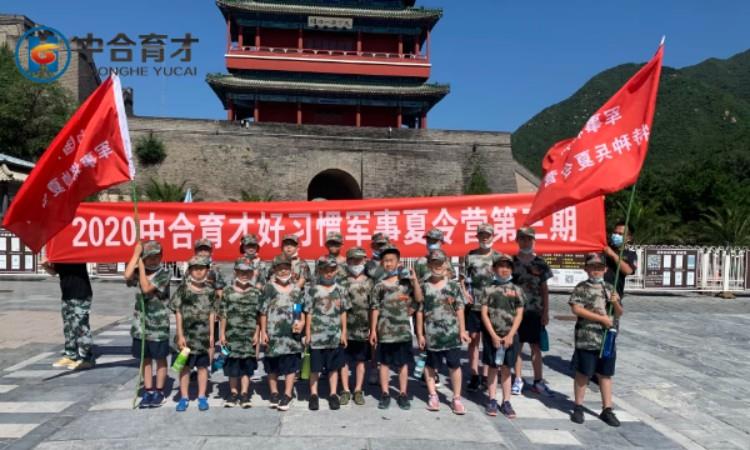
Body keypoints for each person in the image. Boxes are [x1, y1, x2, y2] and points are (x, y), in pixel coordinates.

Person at [569, 253, 623, 427]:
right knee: (583, 373)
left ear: (605, 270)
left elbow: (619, 313)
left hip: (607, 338)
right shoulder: (581, 287)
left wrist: (615, 303)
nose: (596, 271)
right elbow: (577, 309)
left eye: (599, 268)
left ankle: (607, 408)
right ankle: (578, 406)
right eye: (592, 267)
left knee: (605, 374)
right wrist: (601, 319)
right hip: (587, 337)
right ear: (586, 269)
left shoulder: (610, 287)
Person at [416, 249, 469, 414]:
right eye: (434, 263)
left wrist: (462, 330)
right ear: (429, 265)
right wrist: (420, 334)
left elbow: (459, 308)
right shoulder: (424, 287)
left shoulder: (453, 286)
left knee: (454, 365)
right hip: (431, 335)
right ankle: (433, 395)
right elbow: (419, 312)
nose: (437, 266)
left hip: (451, 334)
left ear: (446, 264)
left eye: (440, 263)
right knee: (430, 366)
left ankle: (456, 398)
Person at [369, 245, 423, 410]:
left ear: (398, 262)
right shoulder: (379, 285)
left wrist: (415, 281)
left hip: (402, 331)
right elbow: (375, 308)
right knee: (384, 363)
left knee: (403, 364)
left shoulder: (405, 283)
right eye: (385, 261)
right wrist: (373, 330)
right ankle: (385, 393)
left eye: (391, 260)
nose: (388, 264)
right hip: (385, 331)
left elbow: (419, 299)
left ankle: (403, 393)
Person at [123, 240, 172, 408]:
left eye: (157, 256)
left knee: (160, 359)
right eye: (150, 257)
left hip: (158, 327)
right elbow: (127, 275)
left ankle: (159, 391)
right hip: (141, 327)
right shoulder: (138, 272)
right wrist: (135, 255)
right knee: (145, 359)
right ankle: (149, 390)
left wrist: (141, 267)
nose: (154, 260)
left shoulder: (164, 274)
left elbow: (146, 288)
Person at [479, 253, 525, 418]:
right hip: (492, 335)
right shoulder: (488, 289)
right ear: (494, 269)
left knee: (506, 368)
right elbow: (484, 313)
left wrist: (511, 335)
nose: (504, 270)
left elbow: (519, 314)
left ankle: (506, 401)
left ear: (511, 269)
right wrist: (493, 335)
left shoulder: (517, 290)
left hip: (510, 336)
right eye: (500, 266)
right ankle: (492, 399)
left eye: (507, 266)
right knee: (492, 367)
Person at [171, 256, 217, 412]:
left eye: (202, 268)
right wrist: (180, 334)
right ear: (190, 270)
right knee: (185, 368)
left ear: (207, 270)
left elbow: (212, 313)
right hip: (187, 337)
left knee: (203, 367)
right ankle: (184, 397)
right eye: (195, 268)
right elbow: (178, 312)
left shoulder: (210, 291)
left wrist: (212, 335)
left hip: (203, 337)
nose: (198, 271)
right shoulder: (183, 289)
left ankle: (202, 396)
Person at [259, 254, 305, 411]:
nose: (283, 271)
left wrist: (300, 323)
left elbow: (299, 309)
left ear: (290, 269)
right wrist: (263, 332)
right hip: (273, 334)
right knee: (272, 365)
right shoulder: (269, 288)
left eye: (286, 268)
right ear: (274, 270)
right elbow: (263, 312)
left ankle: (287, 393)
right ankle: (274, 393)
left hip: (291, 336)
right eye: (280, 268)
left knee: (290, 364)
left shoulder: (296, 289)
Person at [512, 227, 554, 397]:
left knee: (536, 347)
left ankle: (538, 381)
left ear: (534, 241)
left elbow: (544, 289)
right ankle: (517, 379)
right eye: (522, 239)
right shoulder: (511, 263)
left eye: (529, 239)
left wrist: (546, 312)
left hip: (535, 311)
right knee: (517, 346)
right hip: (516, 312)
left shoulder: (540, 263)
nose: (526, 242)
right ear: (517, 241)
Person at [305, 256, 350, 411]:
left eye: (332, 270)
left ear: (336, 270)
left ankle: (333, 394)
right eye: (325, 270)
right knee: (315, 368)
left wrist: (344, 332)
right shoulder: (313, 290)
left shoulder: (341, 289)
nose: (328, 273)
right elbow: (309, 312)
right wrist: (308, 332)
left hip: (334, 335)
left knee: (333, 367)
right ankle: (313, 394)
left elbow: (343, 312)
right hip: (317, 336)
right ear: (319, 271)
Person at [219, 256, 263, 408]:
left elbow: (258, 316)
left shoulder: (256, 293)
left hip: (248, 336)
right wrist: (222, 334)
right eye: (241, 272)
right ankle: (233, 393)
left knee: (246, 366)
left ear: (252, 273)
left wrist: (257, 333)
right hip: (231, 335)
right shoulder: (227, 291)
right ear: (235, 272)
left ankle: (244, 394)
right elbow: (223, 314)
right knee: (232, 365)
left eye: (247, 272)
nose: (244, 275)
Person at [462, 223, 501, 392]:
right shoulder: (470, 256)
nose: (485, 238)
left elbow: (504, 281)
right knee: (473, 340)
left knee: (489, 341)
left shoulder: (499, 257)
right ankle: (474, 374)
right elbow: (462, 279)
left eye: (488, 235)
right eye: (482, 235)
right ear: (477, 237)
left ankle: (486, 375)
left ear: (493, 236)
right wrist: (465, 293)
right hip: (474, 306)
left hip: (492, 307)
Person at [42, 259, 95, 371]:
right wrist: (45, 266)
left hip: (81, 294)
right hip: (67, 295)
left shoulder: (77, 252)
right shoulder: (58, 255)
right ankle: (71, 355)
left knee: (81, 327)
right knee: (68, 327)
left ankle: (87, 359)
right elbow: (54, 272)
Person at [339, 246, 373, 406]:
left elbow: (374, 306)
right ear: (348, 262)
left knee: (361, 361)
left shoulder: (370, 282)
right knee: (344, 360)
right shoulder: (342, 282)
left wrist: (373, 328)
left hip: (363, 327)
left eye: (359, 260)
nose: (356, 263)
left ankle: (358, 390)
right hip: (345, 328)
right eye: (353, 260)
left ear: (364, 261)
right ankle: (345, 390)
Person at [603, 222, 637, 301]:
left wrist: (612, 255)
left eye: (620, 234)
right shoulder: (603, 247)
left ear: (629, 237)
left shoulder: (629, 253)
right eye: (615, 233)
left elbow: (628, 271)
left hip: (614, 296)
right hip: (595, 294)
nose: (616, 236)